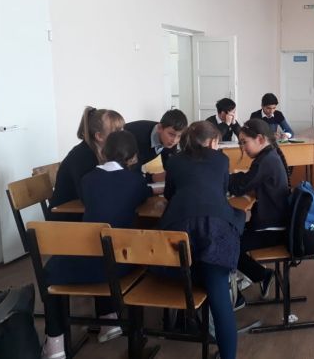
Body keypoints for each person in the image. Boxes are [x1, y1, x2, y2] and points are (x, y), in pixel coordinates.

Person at [41, 130, 151, 359]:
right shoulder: (136, 182)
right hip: (119, 265)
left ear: (103, 152)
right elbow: (140, 197)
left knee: (49, 271)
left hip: (85, 262)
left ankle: (55, 343)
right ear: (133, 157)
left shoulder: (88, 180)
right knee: (113, 246)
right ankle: (109, 319)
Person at [158, 121, 245, 359]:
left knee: (185, 269)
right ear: (213, 141)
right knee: (219, 294)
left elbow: (169, 194)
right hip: (216, 226)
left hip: (179, 227)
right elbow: (223, 191)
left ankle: (184, 315)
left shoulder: (174, 161)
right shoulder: (222, 160)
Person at [229, 119, 291, 306]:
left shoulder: (266, 161)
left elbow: (240, 186)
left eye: (244, 142)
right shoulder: (268, 156)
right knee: (230, 236)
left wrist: (222, 177)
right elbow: (247, 180)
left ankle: (260, 276)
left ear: (260, 139)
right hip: (271, 221)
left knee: (227, 246)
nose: (243, 147)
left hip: (272, 228)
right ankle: (260, 275)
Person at [48, 106, 125, 221]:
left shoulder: (105, 152)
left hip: (84, 213)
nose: (123, 135)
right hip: (66, 219)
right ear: (99, 136)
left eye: (123, 129)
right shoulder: (82, 156)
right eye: (117, 132)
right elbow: (90, 196)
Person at [124, 109, 188, 181]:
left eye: (179, 136)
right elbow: (132, 174)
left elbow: (170, 166)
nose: (174, 140)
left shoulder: (169, 140)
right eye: (171, 134)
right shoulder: (138, 137)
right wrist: (153, 177)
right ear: (159, 128)